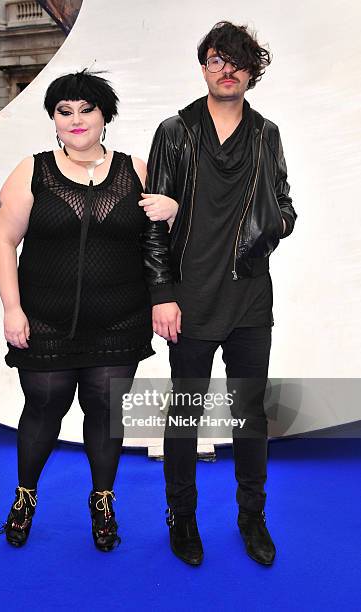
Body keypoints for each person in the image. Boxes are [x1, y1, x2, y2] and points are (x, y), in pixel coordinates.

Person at [0, 70, 174, 550]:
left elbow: (160, 237)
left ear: (104, 115)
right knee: (43, 409)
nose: (76, 120)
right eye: (64, 111)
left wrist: (175, 209)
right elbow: (4, 241)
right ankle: (25, 496)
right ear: (53, 118)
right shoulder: (31, 170)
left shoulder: (136, 170)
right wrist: (13, 309)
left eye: (86, 109)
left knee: (104, 411)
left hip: (121, 320)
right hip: (45, 321)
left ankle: (103, 499)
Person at [143, 21, 297, 566]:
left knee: (250, 412)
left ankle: (252, 518)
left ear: (252, 72)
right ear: (203, 65)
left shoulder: (266, 134)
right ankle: (181, 518)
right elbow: (153, 223)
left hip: (251, 295)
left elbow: (285, 206)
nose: (226, 69)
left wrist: (269, 226)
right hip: (189, 294)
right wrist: (161, 293)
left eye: (238, 61)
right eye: (216, 58)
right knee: (185, 414)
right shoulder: (174, 131)